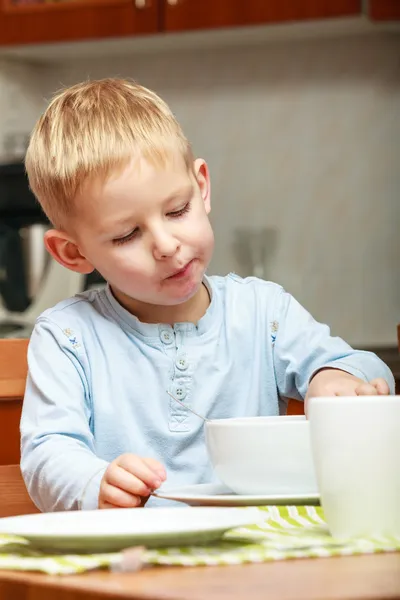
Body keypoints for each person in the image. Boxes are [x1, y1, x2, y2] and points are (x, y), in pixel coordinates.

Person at [20, 78, 394, 512]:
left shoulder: (263, 313)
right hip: (135, 560)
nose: (166, 245)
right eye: (127, 235)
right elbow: (47, 452)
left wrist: (333, 377)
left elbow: (363, 367)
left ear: (202, 187)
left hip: (254, 548)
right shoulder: (67, 336)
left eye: (177, 210)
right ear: (74, 252)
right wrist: (93, 483)